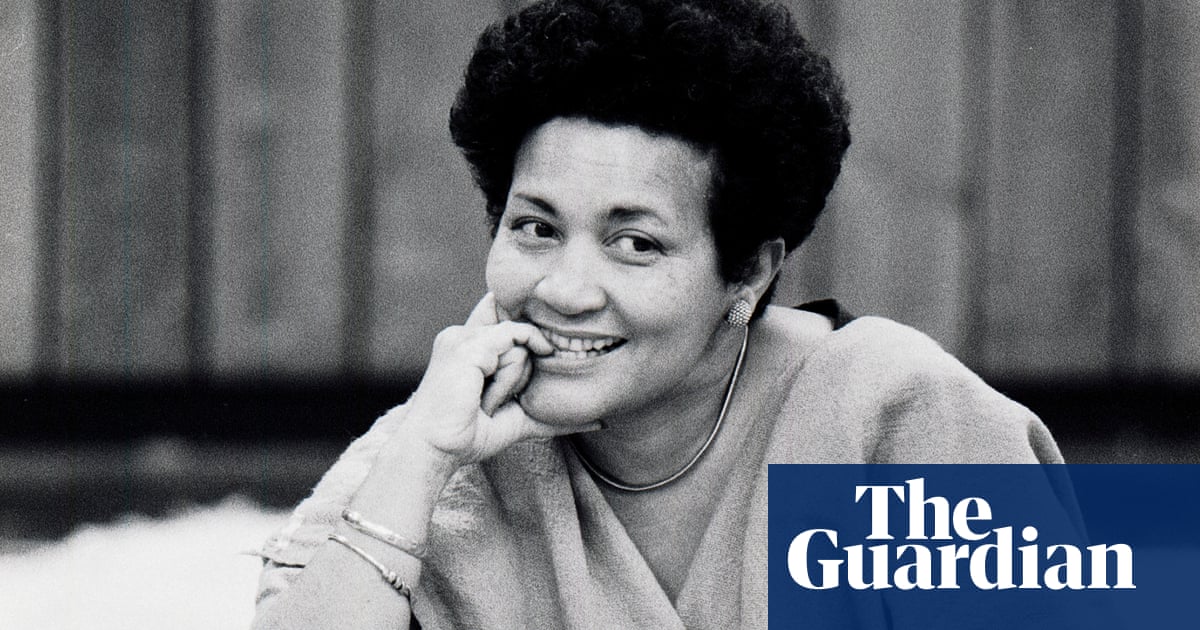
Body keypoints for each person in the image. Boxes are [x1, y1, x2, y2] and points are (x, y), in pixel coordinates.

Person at [251, 1, 1063, 628]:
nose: (565, 289)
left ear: (749, 271)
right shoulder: (436, 443)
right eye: (535, 228)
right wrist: (420, 461)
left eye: (634, 243)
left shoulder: (892, 415)